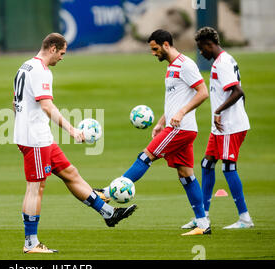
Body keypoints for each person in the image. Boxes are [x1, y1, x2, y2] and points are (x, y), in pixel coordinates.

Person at [13, 33, 137, 254]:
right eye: (61, 53)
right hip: (35, 139)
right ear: (52, 48)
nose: (62, 57)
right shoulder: (42, 71)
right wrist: (72, 130)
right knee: (35, 188)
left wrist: (21, 126)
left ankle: (109, 213)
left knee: (70, 173)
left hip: (37, 136)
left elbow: (16, 103)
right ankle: (30, 242)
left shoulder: (25, 67)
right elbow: (47, 106)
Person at [98, 29, 210, 236]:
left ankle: (107, 193)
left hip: (180, 128)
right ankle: (203, 223)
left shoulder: (185, 65)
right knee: (186, 175)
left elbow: (203, 92)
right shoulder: (171, 68)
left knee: (145, 156)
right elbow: (175, 101)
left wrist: (181, 113)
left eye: (155, 48)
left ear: (166, 44)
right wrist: (161, 122)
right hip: (177, 127)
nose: (153, 53)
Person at [184, 26, 254, 229]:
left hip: (229, 126)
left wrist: (219, 112)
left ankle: (245, 218)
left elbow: (238, 91)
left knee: (228, 167)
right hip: (223, 127)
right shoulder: (224, 60)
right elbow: (241, 94)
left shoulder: (222, 63)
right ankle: (202, 216)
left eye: (201, 48)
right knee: (207, 164)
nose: (200, 52)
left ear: (209, 44)